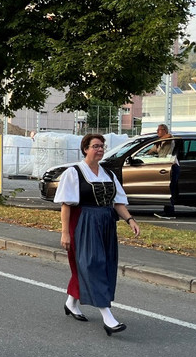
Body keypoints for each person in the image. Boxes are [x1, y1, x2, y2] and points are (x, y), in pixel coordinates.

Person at [55, 133, 141, 335]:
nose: (100, 149)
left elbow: (118, 202)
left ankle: (71, 303)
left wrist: (130, 220)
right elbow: (66, 205)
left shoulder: (108, 174)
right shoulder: (74, 173)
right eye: (95, 146)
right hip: (84, 222)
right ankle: (108, 317)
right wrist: (65, 233)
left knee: (100, 265)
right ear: (85, 149)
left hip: (106, 224)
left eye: (102, 146)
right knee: (92, 265)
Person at [148, 123, 180, 219]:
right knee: (165, 188)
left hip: (172, 166)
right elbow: (150, 151)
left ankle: (170, 212)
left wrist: (158, 139)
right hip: (164, 165)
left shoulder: (169, 139)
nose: (157, 131)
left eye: (160, 129)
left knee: (170, 188)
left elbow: (168, 135)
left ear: (165, 130)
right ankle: (167, 210)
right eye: (157, 129)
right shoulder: (158, 143)